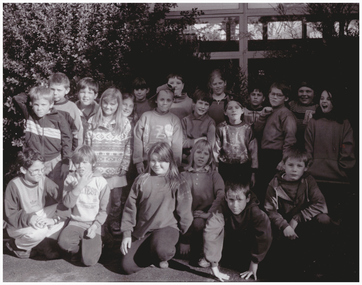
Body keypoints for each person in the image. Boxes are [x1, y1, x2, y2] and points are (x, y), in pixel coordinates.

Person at [120, 142, 193, 274]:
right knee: (127, 266)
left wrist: (185, 238)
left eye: (162, 161)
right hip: (144, 231)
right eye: (153, 160)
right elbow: (130, 208)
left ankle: (162, 254)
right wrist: (126, 234)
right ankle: (154, 256)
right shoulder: (141, 180)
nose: (156, 164)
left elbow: (185, 212)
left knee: (163, 250)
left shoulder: (178, 181)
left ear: (170, 161)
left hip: (167, 228)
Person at [264, 147, 333, 278]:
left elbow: (320, 204)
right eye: (290, 165)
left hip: (304, 223)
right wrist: (285, 225)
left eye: (299, 166)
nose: (294, 169)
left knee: (324, 219)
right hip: (283, 226)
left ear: (305, 168)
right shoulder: (274, 184)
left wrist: (297, 219)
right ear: (283, 165)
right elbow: (270, 210)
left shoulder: (308, 181)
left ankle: (319, 264)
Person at [202, 180, 272, 282]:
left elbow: (265, 236)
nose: (235, 205)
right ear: (225, 197)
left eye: (239, 200)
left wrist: (255, 262)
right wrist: (214, 265)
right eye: (231, 199)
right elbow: (210, 231)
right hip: (232, 240)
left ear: (247, 198)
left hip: (249, 242)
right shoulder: (221, 208)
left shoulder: (256, 212)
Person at [304, 87, 356, 224]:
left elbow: (347, 146)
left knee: (334, 219)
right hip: (315, 179)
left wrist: (342, 166)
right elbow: (307, 148)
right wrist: (310, 166)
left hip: (337, 181)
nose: (324, 101)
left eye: (328, 98)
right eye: (321, 98)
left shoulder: (344, 123)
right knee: (316, 218)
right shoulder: (313, 122)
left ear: (336, 102)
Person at [85, 88, 132, 236]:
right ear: (101, 102)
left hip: (115, 172)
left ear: (118, 105)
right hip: (97, 171)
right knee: (98, 201)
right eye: (105, 103)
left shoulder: (124, 123)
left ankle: (113, 222)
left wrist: (124, 165)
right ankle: (100, 226)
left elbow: (128, 146)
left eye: (112, 104)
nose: (108, 107)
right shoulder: (93, 121)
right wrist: (89, 167)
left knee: (116, 201)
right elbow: (87, 145)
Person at [4, 149, 66, 260]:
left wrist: (73, 187)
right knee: (41, 231)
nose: (41, 173)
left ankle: (40, 244)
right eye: (36, 170)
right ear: (23, 169)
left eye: (42, 169)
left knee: (64, 212)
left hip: (38, 215)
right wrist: (30, 219)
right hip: (19, 224)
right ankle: (16, 245)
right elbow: (10, 215)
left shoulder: (43, 179)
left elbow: (61, 198)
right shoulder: (14, 185)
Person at [58, 145, 110, 266]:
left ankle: (103, 240)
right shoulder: (70, 179)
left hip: (93, 223)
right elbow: (67, 203)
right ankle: (77, 250)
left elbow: (104, 209)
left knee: (89, 261)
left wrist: (96, 225)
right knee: (64, 243)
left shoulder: (100, 182)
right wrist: (79, 186)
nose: (80, 166)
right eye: (77, 163)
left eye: (85, 162)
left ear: (93, 163)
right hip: (76, 222)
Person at [12, 86, 72, 191]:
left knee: (55, 190)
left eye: (44, 104)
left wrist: (66, 161)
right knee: (36, 189)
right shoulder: (29, 114)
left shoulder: (59, 118)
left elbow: (67, 140)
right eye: (36, 104)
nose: (39, 108)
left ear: (51, 104)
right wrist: (36, 95)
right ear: (31, 104)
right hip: (34, 161)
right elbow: (18, 98)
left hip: (54, 161)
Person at [179, 140, 224, 264]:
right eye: (198, 152)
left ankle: (201, 254)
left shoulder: (213, 175)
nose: (201, 156)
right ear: (192, 153)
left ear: (210, 157)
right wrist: (185, 239)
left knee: (199, 223)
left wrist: (209, 213)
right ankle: (185, 244)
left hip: (206, 215)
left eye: (206, 153)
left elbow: (221, 195)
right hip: (188, 214)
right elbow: (181, 200)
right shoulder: (184, 175)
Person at [254, 82, 297, 205]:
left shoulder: (286, 114)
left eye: (279, 95)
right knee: (261, 188)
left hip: (276, 156)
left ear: (286, 98)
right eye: (272, 94)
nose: (274, 97)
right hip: (264, 154)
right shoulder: (269, 111)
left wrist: (284, 160)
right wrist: (262, 116)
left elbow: (290, 138)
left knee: (271, 191)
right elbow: (256, 131)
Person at [133, 88, 183, 174]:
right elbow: (138, 139)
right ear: (156, 100)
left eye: (168, 100)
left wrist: (174, 164)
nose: (165, 103)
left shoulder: (174, 120)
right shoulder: (146, 117)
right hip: (147, 162)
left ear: (172, 101)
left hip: (166, 163)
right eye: (162, 99)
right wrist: (138, 161)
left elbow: (177, 144)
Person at [214, 96, 258, 186]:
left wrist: (253, 172)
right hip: (225, 167)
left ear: (242, 111)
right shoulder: (221, 128)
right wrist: (215, 167)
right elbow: (216, 149)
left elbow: (254, 151)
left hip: (243, 167)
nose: (233, 110)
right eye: (230, 108)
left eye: (237, 107)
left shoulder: (247, 129)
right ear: (225, 112)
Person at [181, 88, 216, 165]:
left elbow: (210, 145)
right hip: (186, 159)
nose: (203, 107)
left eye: (206, 104)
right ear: (194, 103)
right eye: (200, 103)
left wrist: (190, 145)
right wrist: (198, 140)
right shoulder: (185, 120)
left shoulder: (210, 122)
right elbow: (182, 143)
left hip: (202, 159)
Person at [49, 72, 84, 147]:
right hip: (48, 148)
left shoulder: (71, 107)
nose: (55, 93)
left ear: (67, 90)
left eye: (59, 90)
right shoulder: (44, 105)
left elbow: (77, 131)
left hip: (65, 148)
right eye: (52, 89)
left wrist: (76, 150)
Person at [75, 77, 99, 142]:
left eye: (90, 93)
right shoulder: (71, 110)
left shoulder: (100, 111)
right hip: (76, 149)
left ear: (95, 95)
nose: (86, 95)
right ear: (77, 93)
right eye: (82, 92)